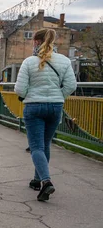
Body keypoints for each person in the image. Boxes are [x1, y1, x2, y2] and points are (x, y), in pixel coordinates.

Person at [14, 28, 76, 201]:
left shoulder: (29, 62)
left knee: (36, 146)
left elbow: (19, 89)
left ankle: (46, 181)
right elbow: (71, 85)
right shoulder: (64, 61)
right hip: (55, 107)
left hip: (33, 107)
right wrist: (57, 96)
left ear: (36, 42)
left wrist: (28, 95)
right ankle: (37, 180)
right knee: (45, 144)